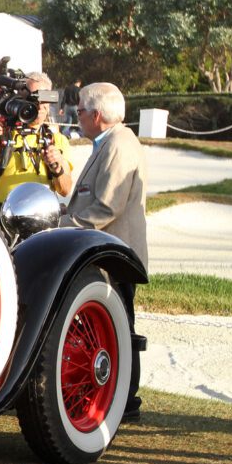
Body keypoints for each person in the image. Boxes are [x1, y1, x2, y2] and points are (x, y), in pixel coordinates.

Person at [61, 82, 147, 418]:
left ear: (96, 114)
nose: (77, 116)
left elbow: (107, 206)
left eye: (80, 110)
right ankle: (117, 398)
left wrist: (64, 227)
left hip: (115, 253)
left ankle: (125, 402)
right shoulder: (111, 141)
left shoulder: (119, 144)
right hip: (107, 250)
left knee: (119, 328)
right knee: (113, 327)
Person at [0, 71, 73, 204]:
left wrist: (57, 169)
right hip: (3, 215)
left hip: (43, 216)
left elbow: (65, 190)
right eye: (33, 98)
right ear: (21, 100)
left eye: (45, 97)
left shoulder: (57, 140)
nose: (40, 105)